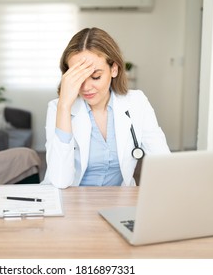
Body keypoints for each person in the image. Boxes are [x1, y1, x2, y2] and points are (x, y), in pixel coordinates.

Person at [42, 27, 170, 188]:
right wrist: (64, 106)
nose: (86, 87)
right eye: (78, 77)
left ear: (114, 69)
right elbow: (59, 181)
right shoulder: (58, 108)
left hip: (120, 202)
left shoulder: (137, 102)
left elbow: (164, 163)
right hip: (71, 201)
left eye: (96, 76)